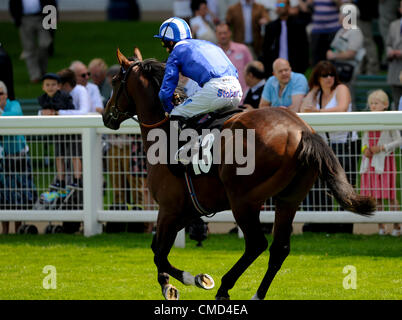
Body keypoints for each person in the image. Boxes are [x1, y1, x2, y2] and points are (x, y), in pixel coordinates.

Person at [300, 60, 359, 233]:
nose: (329, 78)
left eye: (331, 74)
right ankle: (320, 222)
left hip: (345, 144)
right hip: (324, 145)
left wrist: (318, 112)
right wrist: (314, 90)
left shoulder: (341, 89)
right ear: (317, 78)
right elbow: (303, 109)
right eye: (324, 75)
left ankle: (344, 225)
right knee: (319, 183)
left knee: (344, 183)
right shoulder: (316, 93)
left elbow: (341, 108)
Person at [155, 17, 242, 121]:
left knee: (176, 114)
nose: (166, 48)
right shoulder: (209, 44)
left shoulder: (176, 52)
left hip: (215, 91)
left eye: (163, 43)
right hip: (236, 90)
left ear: (169, 42)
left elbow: (165, 93)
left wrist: (169, 110)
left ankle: (182, 138)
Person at [360, 89, 401, 237]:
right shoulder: (367, 120)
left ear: (385, 104)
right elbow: (364, 139)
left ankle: (397, 226)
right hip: (370, 163)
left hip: (385, 163)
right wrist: (365, 149)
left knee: (390, 194)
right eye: (371, 103)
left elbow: (398, 140)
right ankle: (381, 227)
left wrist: (383, 148)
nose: (373, 106)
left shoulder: (389, 120)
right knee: (375, 196)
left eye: (376, 103)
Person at [0, 81, 37, 234]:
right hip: (2, 159)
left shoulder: (14, 105)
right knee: (3, 193)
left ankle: (18, 228)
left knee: (19, 192)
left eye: (0, 93)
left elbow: (15, 116)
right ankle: (5, 229)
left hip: (18, 156)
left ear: (6, 95)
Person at [9, 0, 56, 83]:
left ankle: (42, 72)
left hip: (43, 17)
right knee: (28, 48)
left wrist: (53, 19)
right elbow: (13, 3)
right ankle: (35, 76)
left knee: (45, 44)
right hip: (25, 18)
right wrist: (16, 18)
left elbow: (51, 2)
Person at [260, 0, 309, 76]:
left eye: (282, 5)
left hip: (295, 67)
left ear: (288, 6)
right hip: (276, 67)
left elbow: (304, 47)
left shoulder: (298, 26)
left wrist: (303, 66)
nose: (279, 7)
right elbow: (266, 49)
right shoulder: (271, 27)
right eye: (277, 5)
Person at [326, 3, 365, 85]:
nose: (339, 16)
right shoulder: (340, 31)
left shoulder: (355, 32)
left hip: (349, 71)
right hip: (337, 68)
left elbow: (351, 53)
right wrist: (330, 53)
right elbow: (333, 48)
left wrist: (334, 55)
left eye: (341, 14)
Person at [216, 22, 254, 97]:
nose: (223, 36)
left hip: (244, 95)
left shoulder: (242, 49)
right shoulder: (213, 53)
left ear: (230, 33)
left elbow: (252, 70)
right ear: (216, 35)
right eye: (220, 33)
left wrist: (249, 90)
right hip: (222, 98)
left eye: (225, 33)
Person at [309, 0, 348, 66]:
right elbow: (307, 8)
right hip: (317, 30)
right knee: (317, 61)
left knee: (333, 60)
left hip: (334, 29)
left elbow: (346, 8)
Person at [355, 0, 380, 75]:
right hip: (359, 13)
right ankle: (362, 68)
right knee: (360, 43)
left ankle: (372, 69)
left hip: (364, 14)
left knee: (367, 42)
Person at [386, 1, 402, 110]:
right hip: (395, 68)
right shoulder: (393, 25)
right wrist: (390, 51)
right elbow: (388, 44)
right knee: (397, 102)